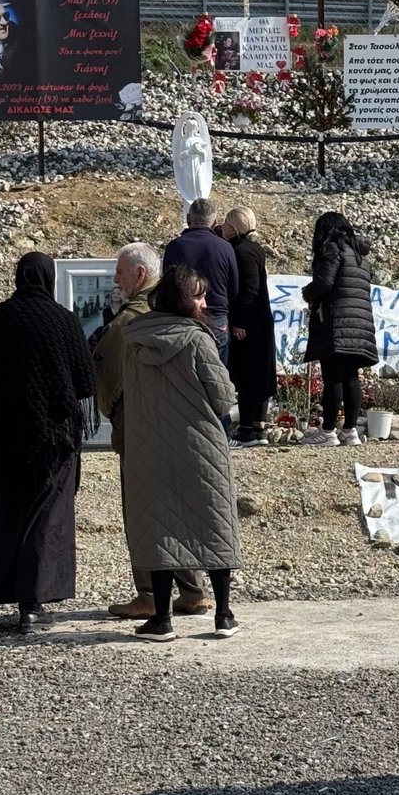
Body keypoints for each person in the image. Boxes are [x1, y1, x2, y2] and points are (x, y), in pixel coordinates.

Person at [0, 254, 96, 635]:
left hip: (0, 439)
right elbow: (85, 383)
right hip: (51, 439)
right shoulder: (64, 320)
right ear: (49, 278)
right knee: (44, 520)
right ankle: (31, 607)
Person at [121, 265, 242, 641]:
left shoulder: (134, 339)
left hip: (149, 446)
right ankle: (223, 614)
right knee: (214, 523)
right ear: (182, 300)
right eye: (199, 294)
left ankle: (161, 620)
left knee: (159, 529)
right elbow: (222, 397)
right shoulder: (197, 340)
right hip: (200, 444)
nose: (205, 301)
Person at [93, 243, 212, 620]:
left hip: (138, 424)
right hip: (179, 426)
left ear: (140, 275)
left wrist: (109, 408)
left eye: (121, 272)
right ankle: (193, 590)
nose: (116, 279)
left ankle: (147, 593)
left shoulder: (131, 320)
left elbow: (110, 376)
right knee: (175, 505)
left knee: (143, 510)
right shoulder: (174, 310)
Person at [300, 211, 378, 447]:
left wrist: (307, 293)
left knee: (332, 377)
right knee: (351, 377)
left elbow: (324, 283)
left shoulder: (332, 249)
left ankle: (327, 432)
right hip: (361, 326)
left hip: (337, 323)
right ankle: (351, 431)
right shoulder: (360, 256)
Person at [222, 209, 277, 449]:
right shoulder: (255, 250)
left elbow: (248, 289)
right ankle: (259, 427)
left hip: (249, 323)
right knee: (260, 374)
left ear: (233, 227)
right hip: (261, 320)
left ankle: (246, 430)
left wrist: (239, 321)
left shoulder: (240, 252)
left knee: (246, 376)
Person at [161, 198, 238, 363]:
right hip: (216, 318)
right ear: (215, 222)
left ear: (189, 220)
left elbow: (165, 286)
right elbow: (233, 288)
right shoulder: (225, 248)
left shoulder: (174, 246)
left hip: (181, 320)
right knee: (217, 378)